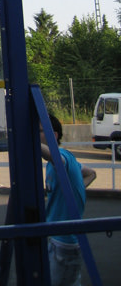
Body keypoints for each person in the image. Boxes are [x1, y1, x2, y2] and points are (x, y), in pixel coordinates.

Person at [40, 113, 96, 286]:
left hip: (65, 245)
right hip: (58, 239)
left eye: (39, 131)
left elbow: (56, 157)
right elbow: (91, 173)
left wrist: (28, 139)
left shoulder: (62, 157)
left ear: (54, 135)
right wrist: (71, 192)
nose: (36, 135)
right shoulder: (56, 164)